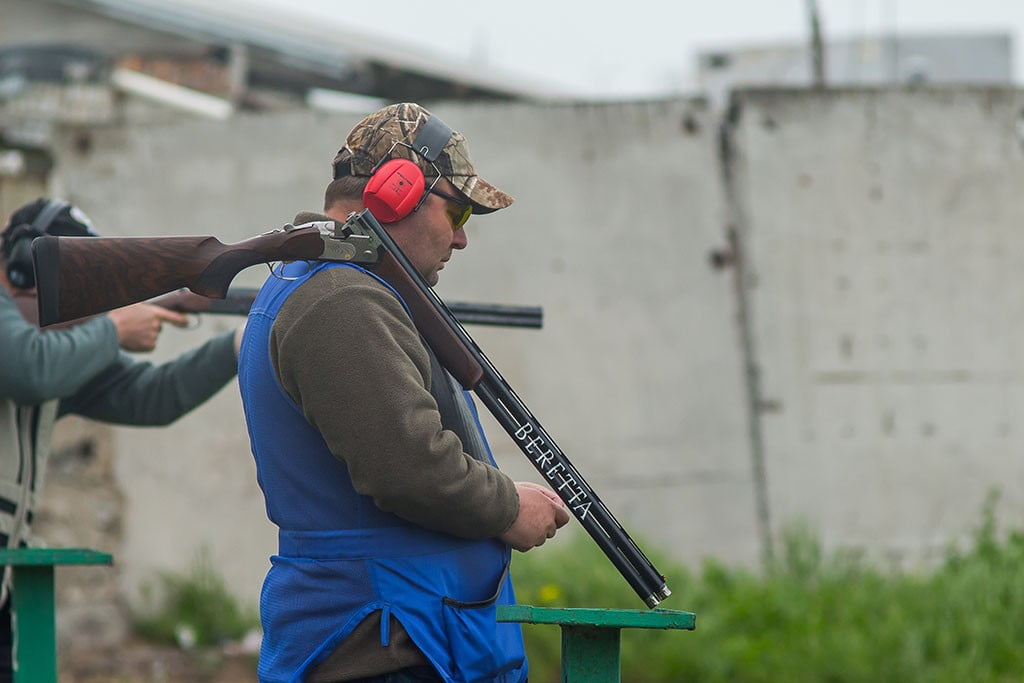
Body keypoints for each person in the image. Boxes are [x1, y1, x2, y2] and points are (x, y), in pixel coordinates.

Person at [238, 102, 570, 683]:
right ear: (397, 192)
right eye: (458, 210)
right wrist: (509, 507)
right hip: (383, 645)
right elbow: (409, 468)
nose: (462, 239)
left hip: (399, 634)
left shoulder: (337, 287)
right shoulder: (341, 299)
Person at [0, 197, 243, 681]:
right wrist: (114, 329)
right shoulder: (31, 349)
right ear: (25, 268)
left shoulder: (51, 345)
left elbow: (154, 396)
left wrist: (239, 344)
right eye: (73, 279)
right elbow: (32, 370)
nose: (83, 299)